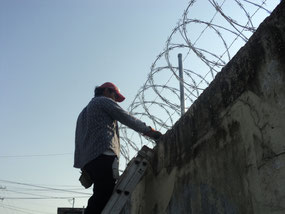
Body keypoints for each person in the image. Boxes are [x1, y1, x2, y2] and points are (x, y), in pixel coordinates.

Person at [74, 82, 162, 214]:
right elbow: (126, 117)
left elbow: (78, 139)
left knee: (100, 196)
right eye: (115, 96)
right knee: (104, 196)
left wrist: (82, 163)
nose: (115, 100)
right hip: (103, 155)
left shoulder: (83, 113)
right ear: (107, 91)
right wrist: (149, 131)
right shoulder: (104, 101)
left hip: (88, 161)